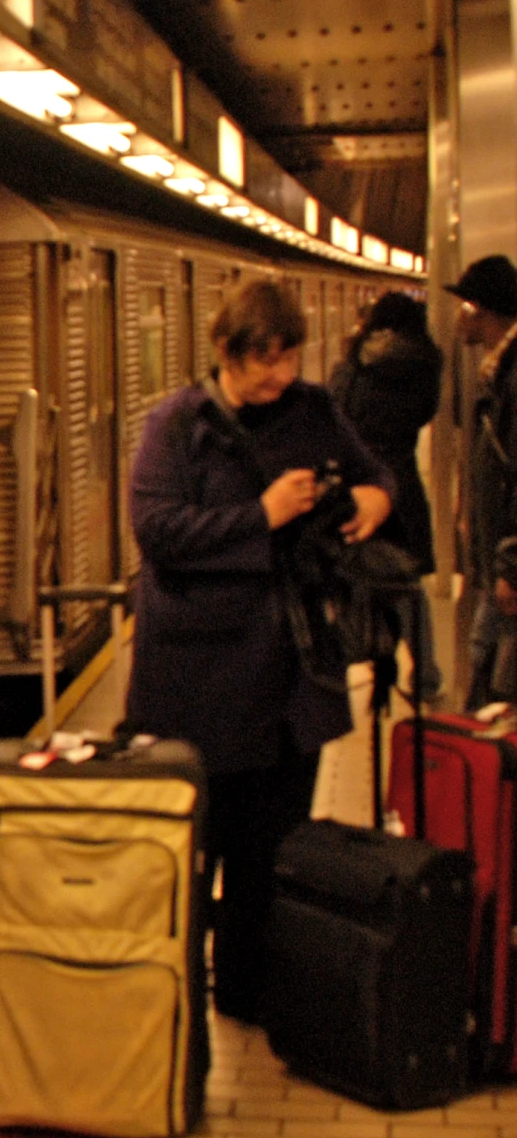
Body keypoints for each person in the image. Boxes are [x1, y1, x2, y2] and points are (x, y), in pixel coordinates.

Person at [125, 278, 392, 1023]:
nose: (277, 376)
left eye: (287, 358)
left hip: (292, 674)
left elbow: (373, 469)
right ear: (223, 352)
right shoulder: (176, 427)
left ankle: (251, 993)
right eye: (260, 363)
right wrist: (259, 517)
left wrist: (377, 496)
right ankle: (167, 999)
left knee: (272, 849)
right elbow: (156, 531)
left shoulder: (314, 412)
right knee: (194, 848)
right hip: (199, 681)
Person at [328, 291, 442, 572]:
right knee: (404, 573)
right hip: (402, 479)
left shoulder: (353, 363)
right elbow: (426, 412)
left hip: (356, 484)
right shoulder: (424, 361)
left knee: (355, 570)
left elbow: (337, 415)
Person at [453, 255, 517, 705]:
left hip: (508, 565)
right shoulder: (500, 371)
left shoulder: (512, 376)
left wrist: (510, 566)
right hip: (499, 560)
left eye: (465, 306)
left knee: (490, 683)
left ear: (482, 311)